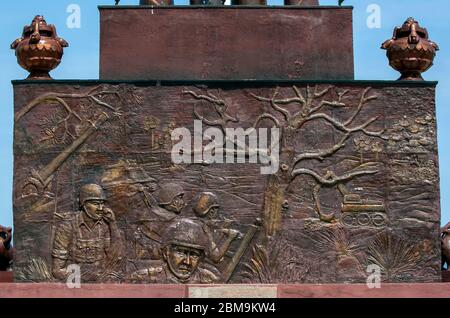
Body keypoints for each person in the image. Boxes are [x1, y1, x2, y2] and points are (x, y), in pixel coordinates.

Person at [51, 184, 124, 282]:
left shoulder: (105, 226)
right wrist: (88, 277)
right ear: (83, 204)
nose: (101, 208)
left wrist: (113, 224)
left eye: (102, 203)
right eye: (95, 203)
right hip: (75, 284)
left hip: (102, 281)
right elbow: (57, 271)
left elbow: (115, 257)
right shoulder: (67, 227)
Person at [129, 218, 220, 283]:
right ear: (166, 253)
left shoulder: (209, 280)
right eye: (180, 253)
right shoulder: (143, 279)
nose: (187, 262)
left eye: (194, 255)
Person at [132, 183, 185, 260]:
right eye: (180, 198)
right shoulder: (169, 221)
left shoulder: (152, 214)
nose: (183, 202)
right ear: (172, 200)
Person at [193, 192, 240, 263]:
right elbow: (216, 257)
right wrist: (230, 238)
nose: (218, 214)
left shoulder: (196, 224)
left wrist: (223, 227)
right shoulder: (203, 229)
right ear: (211, 212)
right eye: (216, 210)